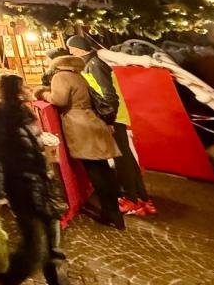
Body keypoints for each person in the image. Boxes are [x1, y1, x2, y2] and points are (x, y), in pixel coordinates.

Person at [0, 74, 69, 285]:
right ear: (18, 91)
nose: (30, 90)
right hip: (21, 188)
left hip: (43, 184)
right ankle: (7, 277)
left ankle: (57, 278)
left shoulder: (26, 114)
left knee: (53, 240)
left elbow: (34, 147)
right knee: (33, 244)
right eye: (25, 87)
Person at [65, 35, 154, 216]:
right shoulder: (92, 63)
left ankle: (131, 199)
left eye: (72, 49)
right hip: (115, 115)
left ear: (79, 49)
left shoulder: (94, 65)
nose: (71, 52)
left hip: (114, 117)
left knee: (122, 159)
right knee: (126, 158)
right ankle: (142, 197)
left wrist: (109, 118)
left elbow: (109, 94)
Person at [37, 55, 124, 229]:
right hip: (92, 121)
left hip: (79, 125)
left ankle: (109, 213)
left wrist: (42, 93)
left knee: (94, 170)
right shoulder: (78, 75)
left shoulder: (60, 76)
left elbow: (59, 100)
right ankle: (115, 212)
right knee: (104, 168)